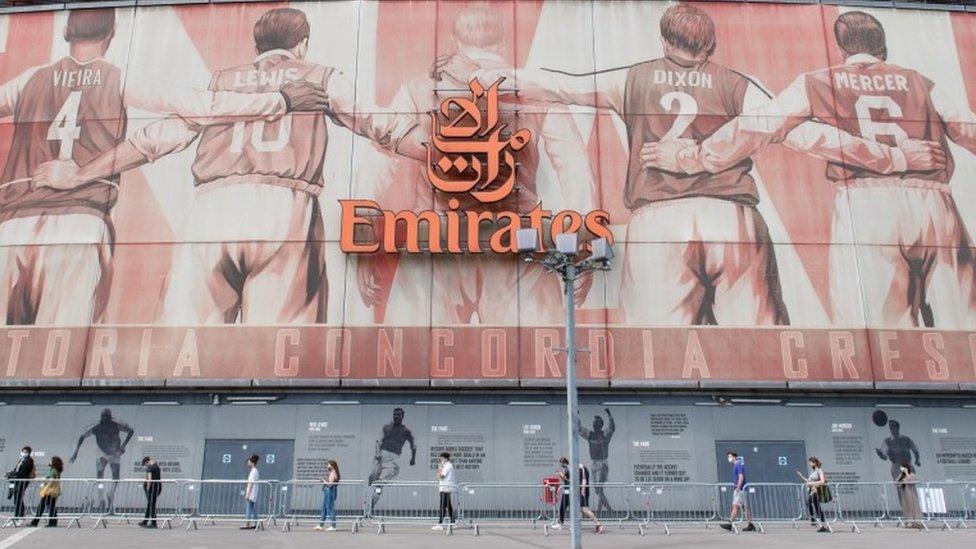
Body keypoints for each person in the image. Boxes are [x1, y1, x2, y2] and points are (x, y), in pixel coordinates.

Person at [451, 3, 940, 327]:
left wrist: (508, 76)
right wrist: (893, 156)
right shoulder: (735, 82)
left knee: (659, 348)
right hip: (733, 217)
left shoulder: (633, 78)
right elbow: (802, 133)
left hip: (659, 219)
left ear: (665, 41)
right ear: (709, 48)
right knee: (758, 346)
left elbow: (563, 85)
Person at [38, 7, 426, 326]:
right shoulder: (320, 77)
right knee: (280, 355)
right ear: (302, 45)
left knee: (185, 351)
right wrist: (448, 157)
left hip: (212, 208)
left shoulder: (219, 82)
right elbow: (382, 127)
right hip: (285, 208)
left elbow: (154, 139)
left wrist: (81, 173)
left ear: (256, 46)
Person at [640, 10, 976, 329]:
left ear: (843, 48)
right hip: (935, 202)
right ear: (882, 47)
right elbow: (967, 130)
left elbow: (761, 126)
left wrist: (695, 157)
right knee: (964, 322)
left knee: (878, 331)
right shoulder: (919, 81)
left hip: (866, 203)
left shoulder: (818, 81)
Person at [0, 9, 325, 327]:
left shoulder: (30, 79)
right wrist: (280, 100)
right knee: (60, 351)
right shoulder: (120, 77)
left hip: (12, 225)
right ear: (111, 35)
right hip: (78, 220)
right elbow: (204, 107)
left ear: (66, 32)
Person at [359, 0, 596, 325]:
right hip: (517, 236)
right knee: (534, 364)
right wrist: (584, 244)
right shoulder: (535, 91)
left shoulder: (418, 88)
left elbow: (378, 163)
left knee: (412, 363)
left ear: (456, 41)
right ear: (503, 43)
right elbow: (575, 168)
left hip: (434, 235)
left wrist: (364, 238)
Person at [69, 408, 134, 510]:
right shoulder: (99, 426)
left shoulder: (111, 425)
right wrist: (76, 452)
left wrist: (123, 446)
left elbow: (131, 431)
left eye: (106, 418)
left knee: (113, 478)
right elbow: (82, 437)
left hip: (114, 453)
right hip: (104, 453)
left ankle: (108, 497)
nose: (105, 420)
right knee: (102, 477)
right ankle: (102, 499)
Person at [368, 408, 417, 508]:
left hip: (393, 458)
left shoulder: (406, 431)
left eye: (398, 415)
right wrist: (377, 454)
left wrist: (413, 459)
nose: (396, 416)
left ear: (402, 417)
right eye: (394, 414)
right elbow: (378, 442)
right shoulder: (386, 428)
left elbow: (413, 445)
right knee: (372, 478)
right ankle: (368, 500)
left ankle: (370, 506)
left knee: (380, 482)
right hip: (381, 455)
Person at [577, 408, 615, 513]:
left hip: (602, 463)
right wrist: (577, 416)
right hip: (594, 463)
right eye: (593, 423)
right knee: (598, 489)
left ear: (600, 425)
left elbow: (612, 428)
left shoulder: (604, 434)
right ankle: (600, 510)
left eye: (596, 423)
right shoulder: (591, 435)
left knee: (599, 489)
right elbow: (580, 429)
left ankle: (609, 509)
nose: (593, 425)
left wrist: (609, 415)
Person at [720, 451, 755, 532]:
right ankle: (751, 525)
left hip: (740, 489)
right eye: (728, 457)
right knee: (744, 508)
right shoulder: (736, 465)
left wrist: (738, 487)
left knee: (735, 506)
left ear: (734, 457)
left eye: (730, 456)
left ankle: (730, 523)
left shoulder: (738, 465)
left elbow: (741, 477)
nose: (729, 458)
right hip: (741, 489)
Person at [796, 457, 829, 532]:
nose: (810, 464)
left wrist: (812, 483)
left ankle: (819, 523)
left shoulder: (819, 471)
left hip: (817, 492)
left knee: (812, 505)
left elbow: (822, 481)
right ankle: (819, 523)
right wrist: (801, 476)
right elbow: (809, 481)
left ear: (814, 463)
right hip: (812, 492)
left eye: (810, 462)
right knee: (814, 506)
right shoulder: (813, 471)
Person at [29, 456, 62, 528]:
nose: (49, 462)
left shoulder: (53, 470)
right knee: (52, 507)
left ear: (54, 462)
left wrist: (44, 485)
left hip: (49, 491)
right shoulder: (56, 470)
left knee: (41, 507)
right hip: (53, 491)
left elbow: (51, 480)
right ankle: (52, 522)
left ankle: (35, 522)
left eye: (51, 460)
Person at [5, 446, 35, 523]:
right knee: (17, 499)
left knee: (18, 499)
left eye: (25, 452)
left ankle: (19, 517)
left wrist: (12, 474)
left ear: (28, 453)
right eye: (23, 451)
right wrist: (10, 473)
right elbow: (16, 469)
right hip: (17, 481)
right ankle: (18, 516)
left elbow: (22, 472)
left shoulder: (29, 461)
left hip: (22, 482)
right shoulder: (21, 460)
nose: (23, 453)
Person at [432, 452, 456, 530]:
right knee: (448, 505)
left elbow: (441, 476)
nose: (440, 460)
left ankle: (440, 524)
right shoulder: (447, 465)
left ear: (446, 459)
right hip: (445, 487)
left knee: (442, 505)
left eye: (441, 459)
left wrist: (439, 470)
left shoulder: (447, 466)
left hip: (445, 488)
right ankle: (453, 522)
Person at [315, 460, 340, 532]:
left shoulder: (333, 473)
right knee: (324, 508)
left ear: (332, 465)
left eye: (328, 464)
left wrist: (323, 481)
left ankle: (333, 525)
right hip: (328, 491)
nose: (327, 466)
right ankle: (320, 525)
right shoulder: (332, 473)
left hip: (330, 492)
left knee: (330, 508)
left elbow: (330, 484)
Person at [579, 462, 604, 534]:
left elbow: (584, 480)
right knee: (580, 510)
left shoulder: (582, 468)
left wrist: (583, 491)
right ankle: (576, 526)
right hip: (581, 492)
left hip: (582, 492)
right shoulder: (581, 468)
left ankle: (598, 524)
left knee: (585, 510)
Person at [897, 462, 923, 529]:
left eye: (903, 467)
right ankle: (909, 522)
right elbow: (898, 483)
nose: (901, 468)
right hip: (904, 494)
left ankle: (917, 522)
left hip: (911, 494)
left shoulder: (911, 475)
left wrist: (907, 473)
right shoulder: (900, 475)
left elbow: (912, 481)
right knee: (907, 507)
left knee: (914, 507)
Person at [139, 456, 162, 529]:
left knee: (151, 505)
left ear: (147, 462)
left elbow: (150, 479)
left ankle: (153, 523)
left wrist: (148, 488)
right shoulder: (157, 467)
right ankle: (145, 521)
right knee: (150, 505)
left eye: (145, 465)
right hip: (156, 487)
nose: (146, 466)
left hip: (152, 489)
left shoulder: (150, 468)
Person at [241, 454, 260, 530]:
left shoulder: (254, 471)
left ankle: (248, 523)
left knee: (249, 507)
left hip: (251, 492)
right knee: (251, 508)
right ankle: (256, 523)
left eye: (248, 462)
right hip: (252, 491)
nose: (247, 463)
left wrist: (248, 494)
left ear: (252, 462)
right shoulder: (254, 471)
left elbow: (251, 483)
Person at [553, 457, 571, 530]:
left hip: (570, 490)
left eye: (561, 464)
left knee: (570, 508)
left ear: (564, 463)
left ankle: (572, 525)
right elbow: (565, 479)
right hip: (566, 490)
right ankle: (560, 523)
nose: (561, 465)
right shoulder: (567, 469)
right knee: (562, 507)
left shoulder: (569, 469)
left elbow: (569, 479)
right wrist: (561, 475)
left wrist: (561, 474)